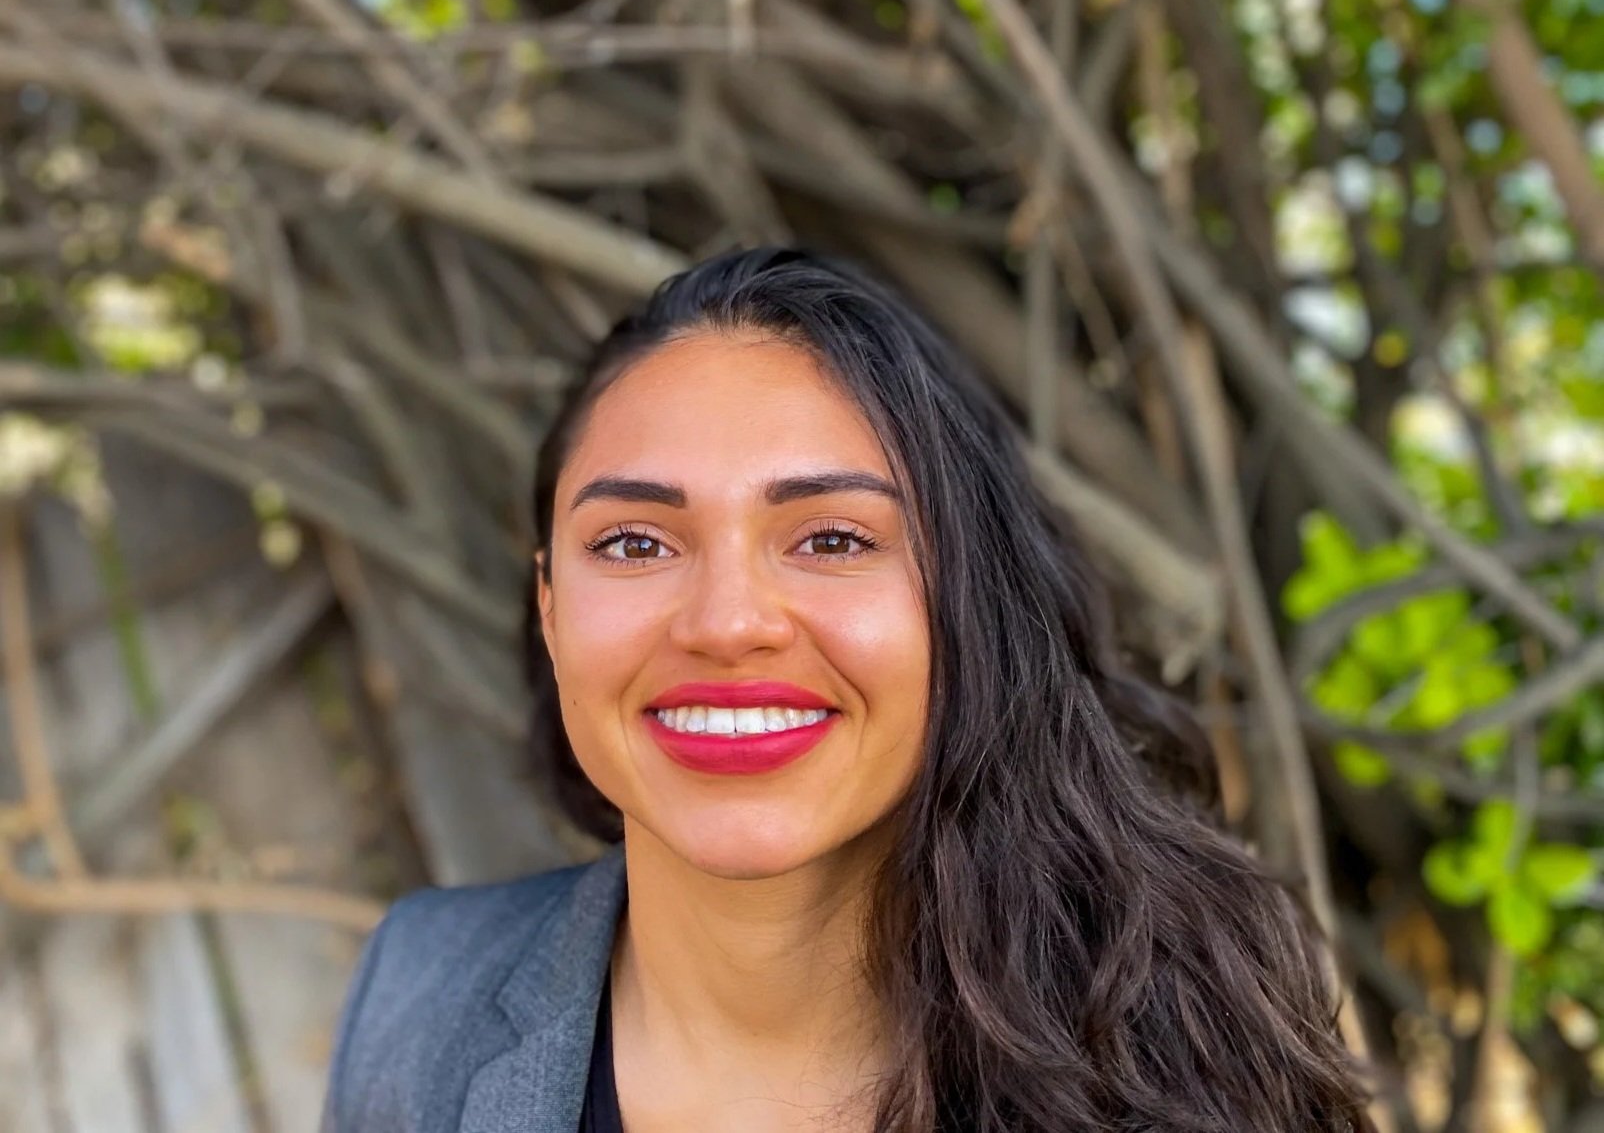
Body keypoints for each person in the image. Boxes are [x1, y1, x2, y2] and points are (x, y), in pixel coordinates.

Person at [319, 246, 1380, 1132]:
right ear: (550, 610)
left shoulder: (1184, 1045)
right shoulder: (418, 994)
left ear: (964, 599)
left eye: (830, 537)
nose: (727, 622)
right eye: (635, 543)